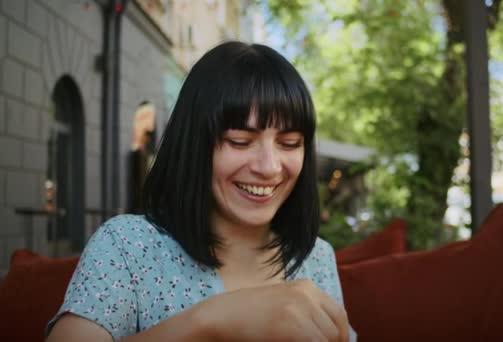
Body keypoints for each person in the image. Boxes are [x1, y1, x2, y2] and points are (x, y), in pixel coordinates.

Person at [46, 41, 354, 341]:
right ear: (194, 143)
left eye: (289, 144)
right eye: (239, 141)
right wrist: (212, 321)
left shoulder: (316, 258)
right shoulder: (128, 246)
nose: (270, 167)